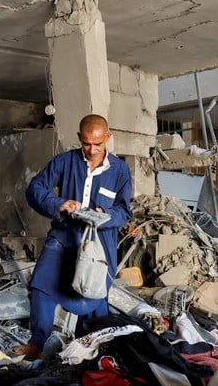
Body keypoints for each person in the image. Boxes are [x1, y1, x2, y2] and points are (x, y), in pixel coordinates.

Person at [14, 114, 132, 359]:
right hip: (64, 236)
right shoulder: (64, 162)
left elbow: (124, 211)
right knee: (42, 286)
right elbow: (35, 189)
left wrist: (105, 214)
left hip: (99, 243)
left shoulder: (120, 170)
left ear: (107, 138)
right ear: (79, 138)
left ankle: (88, 346)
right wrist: (59, 204)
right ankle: (37, 342)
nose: (92, 149)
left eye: (98, 144)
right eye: (87, 143)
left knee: (94, 294)